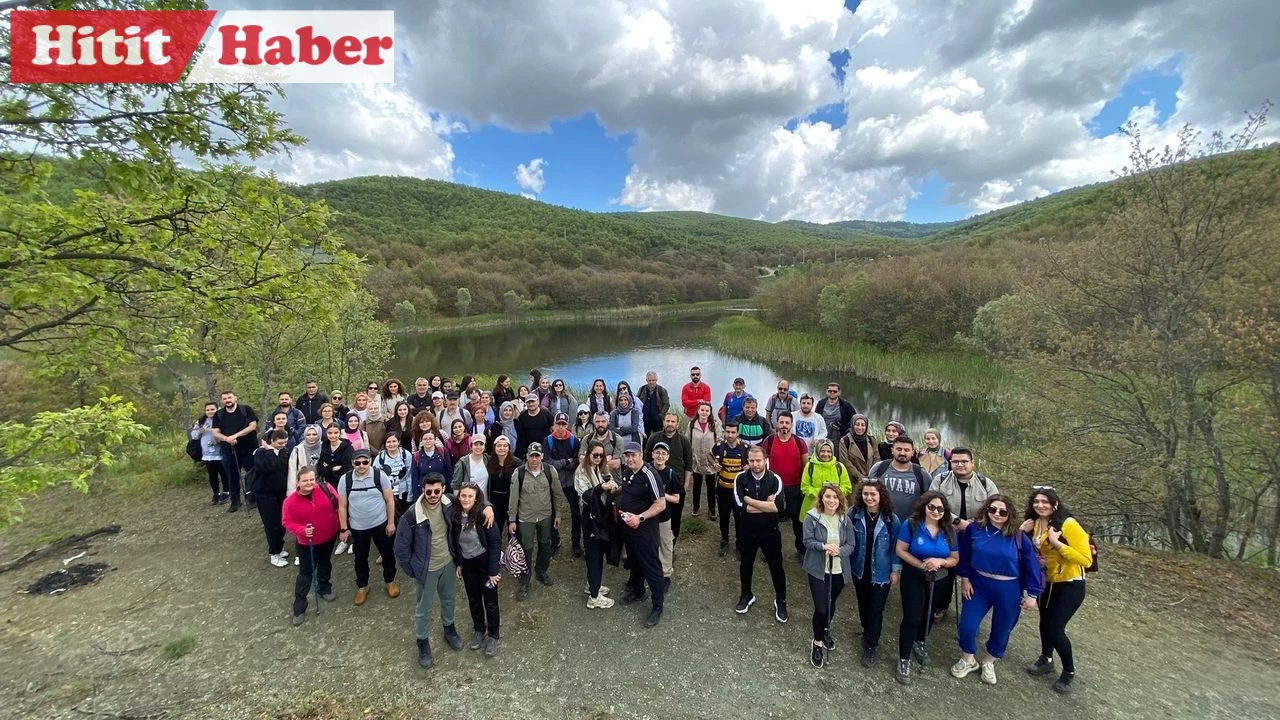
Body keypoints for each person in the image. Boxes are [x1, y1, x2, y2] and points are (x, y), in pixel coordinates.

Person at [951, 494, 1044, 686]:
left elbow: (1032, 565)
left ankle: (989, 661)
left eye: (1002, 511)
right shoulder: (974, 530)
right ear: (986, 509)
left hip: (1009, 588)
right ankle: (968, 659)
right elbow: (965, 555)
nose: (997, 514)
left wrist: (1032, 594)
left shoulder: (1018, 537)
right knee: (967, 625)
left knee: (1002, 628)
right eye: (992, 509)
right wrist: (965, 579)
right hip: (978, 584)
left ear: (1009, 513)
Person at [1020, 487, 1090, 694]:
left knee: (1055, 628)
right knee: (1044, 622)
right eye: (1037, 501)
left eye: (1045, 502)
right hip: (1046, 581)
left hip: (1070, 583)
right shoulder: (1033, 523)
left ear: (1055, 504)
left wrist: (1056, 543)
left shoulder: (1068, 524)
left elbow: (1085, 559)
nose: (1040, 505)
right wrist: (1021, 531)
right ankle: (1046, 658)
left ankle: (1069, 670)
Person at [393, 473, 462, 668]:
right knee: (423, 608)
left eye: (437, 491)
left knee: (449, 600)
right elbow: (400, 548)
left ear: (443, 488)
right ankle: (422, 642)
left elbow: (474, 499)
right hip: (426, 570)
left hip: (448, 563)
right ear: (422, 490)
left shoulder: (450, 503)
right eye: (429, 491)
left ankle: (449, 630)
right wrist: (413, 570)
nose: (433, 495)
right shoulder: (412, 515)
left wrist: (489, 508)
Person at [894, 491, 959, 685]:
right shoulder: (912, 524)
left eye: (940, 508)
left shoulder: (949, 530)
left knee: (929, 614)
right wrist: (921, 565)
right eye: (932, 507)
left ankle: (920, 641)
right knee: (912, 616)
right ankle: (903, 659)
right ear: (924, 506)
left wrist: (941, 561)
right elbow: (900, 550)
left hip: (939, 578)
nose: (936, 511)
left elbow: (955, 558)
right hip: (914, 575)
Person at [929, 446, 998, 619]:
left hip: (975, 535)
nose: (960, 465)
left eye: (964, 461)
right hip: (945, 532)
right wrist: (957, 522)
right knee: (945, 573)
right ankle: (941, 605)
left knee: (972, 571)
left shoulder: (985, 484)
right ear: (950, 462)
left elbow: (996, 509)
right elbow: (930, 503)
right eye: (956, 461)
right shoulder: (940, 480)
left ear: (972, 463)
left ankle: (972, 609)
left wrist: (973, 525)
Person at [802, 483, 856, 668]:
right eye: (828, 497)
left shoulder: (845, 519)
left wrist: (839, 551)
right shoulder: (813, 518)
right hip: (818, 569)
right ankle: (817, 643)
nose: (831, 500)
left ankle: (825, 629)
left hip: (839, 569)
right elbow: (807, 541)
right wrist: (824, 547)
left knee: (831, 602)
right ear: (822, 498)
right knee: (821, 608)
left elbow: (851, 544)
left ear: (840, 500)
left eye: (835, 497)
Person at [338, 448, 400, 606]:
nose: (361, 465)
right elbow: (343, 506)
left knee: (388, 554)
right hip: (358, 527)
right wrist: (344, 528)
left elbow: (390, 500)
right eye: (357, 463)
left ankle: (390, 581)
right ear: (352, 463)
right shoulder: (346, 480)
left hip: (381, 524)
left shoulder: (380, 476)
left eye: (365, 462)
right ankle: (362, 586)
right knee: (360, 558)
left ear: (370, 461)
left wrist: (391, 522)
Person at [849, 479, 900, 668]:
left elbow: (896, 547)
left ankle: (871, 644)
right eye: (865, 494)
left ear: (881, 496)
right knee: (863, 603)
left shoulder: (890, 519)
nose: (869, 498)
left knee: (876, 608)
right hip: (859, 569)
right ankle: (866, 629)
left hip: (881, 572)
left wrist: (896, 570)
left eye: (873, 494)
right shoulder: (854, 514)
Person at [733, 445, 787, 623]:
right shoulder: (740, 478)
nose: (755, 464)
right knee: (746, 565)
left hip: (770, 532)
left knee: (776, 567)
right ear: (747, 461)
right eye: (752, 461)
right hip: (747, 532)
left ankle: (780, 599)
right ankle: (746, 595)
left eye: (759, 460)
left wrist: (750, 501)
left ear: (765, 460)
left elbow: (776, 508)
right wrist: (764, 505)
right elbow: (741, 507)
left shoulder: (775, 479)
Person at [616, 442, 667, 628]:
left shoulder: (649, 475)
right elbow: (626, 489)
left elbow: (661, 504)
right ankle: (638, 591)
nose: (630, 459)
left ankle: (657, 606)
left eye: (633, 455)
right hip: (628, 527)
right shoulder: (627, 471)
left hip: (644, 530)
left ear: (641, 456)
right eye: (627, 456)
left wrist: (640, 517)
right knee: (634, 561)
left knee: (651, 567)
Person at [281, 467, 340, 625]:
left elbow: (339, 504)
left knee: (325, 563)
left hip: (328, 536)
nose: (309, 483)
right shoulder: (290, 501)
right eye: (305, 480)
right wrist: (301, 530)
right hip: (307, 543)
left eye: (311, 480)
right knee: (305, 574)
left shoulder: (325, 489)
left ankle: (324, 587)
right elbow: (286, 522)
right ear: (298, 482)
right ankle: (299, 606)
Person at [450, 482, 502, 658]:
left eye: (470, 496)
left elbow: (495, 543)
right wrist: (459, 563)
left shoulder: (484, 516)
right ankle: (479, 629)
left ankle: (493, 635)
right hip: (468, 564)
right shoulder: (455, 515)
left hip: (486, 564)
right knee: (473, 599)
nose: (466, 499)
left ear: (477, 498)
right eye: (463, 495)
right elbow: (455, 543)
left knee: (490, 601)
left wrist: (494, 571)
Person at [507, 443, 562, 600]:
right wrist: (512, 520)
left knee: (545, 544)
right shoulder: (519, 473)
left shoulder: (550, 471)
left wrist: (558, 514)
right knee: (526, 549)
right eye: (532, 455)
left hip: (545, 515)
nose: (534, 459)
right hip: (526, 517)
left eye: (537, 455)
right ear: (527, 456)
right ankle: (525, 580)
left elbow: (557, 494)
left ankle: (541, 571)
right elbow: (513, 498)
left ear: (542, 456)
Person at [576, 440, 618, 609]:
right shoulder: (581, 472)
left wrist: (613, 487)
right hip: (589, 517)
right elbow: (585, 495)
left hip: (601, 516)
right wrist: (602, 488)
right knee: (593, 554)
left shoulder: (601, 470)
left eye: (601, 456)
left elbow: (612, 486)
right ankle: (594, 596)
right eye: (595, 455)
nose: (598, 458)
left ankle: (593, 584)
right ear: (588, 455)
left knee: (599, 552)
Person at [763, 411, 808, 557]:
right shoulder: (769, 441)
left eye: (787, 423)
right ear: (777, 423)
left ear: (791, 424)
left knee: (796, 518)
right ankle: (771, 549)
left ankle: (800, 548)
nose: (784, 425)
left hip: (795, 486)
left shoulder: (799, 442)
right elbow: (763, 462)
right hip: (775, 487)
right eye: (781, 422)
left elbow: (805, 465)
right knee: (773, 518)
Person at [643, 412, 693, 534]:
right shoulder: (654, 438)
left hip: (676, 485)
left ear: (677, 423)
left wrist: (685, 486)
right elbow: (645, 460)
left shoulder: (684, 441)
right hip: (654, 483)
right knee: (653, 515)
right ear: (663, 422)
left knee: (675, 518)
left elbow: (689, 465)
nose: (670, 424)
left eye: (673, 421)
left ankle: (671, 545)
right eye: (667, 421)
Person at [212, 390, 258, 512]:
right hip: (229, 450)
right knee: (232, 476)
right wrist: (227, 439)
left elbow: (252, 426)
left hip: (249, 448)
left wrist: (235, 436)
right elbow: (215, 432)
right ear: (222, 401)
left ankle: (253, 498)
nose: (228, 400)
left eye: (230, 397)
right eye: (225, 398)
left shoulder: (246, 409)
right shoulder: (219, 414)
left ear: (235, 398)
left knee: (252, 474)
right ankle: (235, 501)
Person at [544, 412, 582, 556]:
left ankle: (576, 542)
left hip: (571, 481)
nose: (560, 427)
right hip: (554, 482)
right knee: (552, 512)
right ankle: (555, 541)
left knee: (575, 513)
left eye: (563, 424)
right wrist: (565, 462)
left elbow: (576, 461)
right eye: (558, 424)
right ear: (553, 425)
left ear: (568, 425)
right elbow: (547, 462)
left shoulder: (574, 441)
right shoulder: (548, 441)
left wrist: (563, 464)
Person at [253, 430, 292, 567]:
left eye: (285, 443)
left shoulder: (284, 452)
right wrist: (269, 450)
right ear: (271, 441)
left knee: (281, 523)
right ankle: (274, 553)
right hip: (264, 493)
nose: (283, 445)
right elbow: (268, 466)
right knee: (272, 524)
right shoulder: (260, 453)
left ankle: (279, 547)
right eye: (280, 443)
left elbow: (283, 467)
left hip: (280, 492)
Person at [868, 436, 929, 523]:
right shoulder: (879, 468)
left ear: (913, 452)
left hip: (910, 525)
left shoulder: (921, 473)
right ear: (892, 450)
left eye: (906, 450)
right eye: (899, 449)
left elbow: (929, 500)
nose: (902, 453)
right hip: (881, 524)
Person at [711, 422, 749, 556]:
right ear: (724, 432)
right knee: (724, 516)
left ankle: (739, 544)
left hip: (738, 491)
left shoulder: (745, 448)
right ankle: (724, 540)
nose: (730, 435)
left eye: (733, 432)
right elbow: (709, 455)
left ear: (738, 433)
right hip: (723, 489)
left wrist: (748, 467)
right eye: (727, 432)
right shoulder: (719, 447)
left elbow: (755, 461)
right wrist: (714, 463)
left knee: (740, 518)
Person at [650, 442, 682, 589]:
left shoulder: (671, 474)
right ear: (652, 455)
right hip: (648, 516)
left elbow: (676, 498)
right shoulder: (647, 471)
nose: (660, 456)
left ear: (668, 457)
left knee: (665, 545)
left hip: (664, 517)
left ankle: (665, 575)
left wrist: (662, 495)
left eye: (663, 453)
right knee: (649, 544)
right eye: (657, 452)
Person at [798, 439, 850, 518]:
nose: (826, 454)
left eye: (829, 451)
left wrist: (833, 494)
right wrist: (822, 493)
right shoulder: (810, 466)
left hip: (834, 510)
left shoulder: (839, 467)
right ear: (817, 451)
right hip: (813, 509)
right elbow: (805, 487)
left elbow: (847, 487)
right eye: (822, 451)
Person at [687, 401, 720, 519]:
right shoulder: (691, 424)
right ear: (698, 411)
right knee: (697, 485)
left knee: (711, 486)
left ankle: (712, 509)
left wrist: (716, 459)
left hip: (710, 461)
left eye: (707, 411)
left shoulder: (714, 425)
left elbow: (719, 442)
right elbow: (687, 441)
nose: (704, 413)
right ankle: (695, 507)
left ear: (710, 412)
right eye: (702, 410)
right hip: (696, 460)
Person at [191, 402, 228, 505]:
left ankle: (226, 491)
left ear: (217, 409)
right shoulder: (201, 421)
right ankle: (216, 493)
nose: (210, 411)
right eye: (208, 410)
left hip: (220, 451)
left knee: (223, 473)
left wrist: (218, 440)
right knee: (212, 475)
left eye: (212, 409)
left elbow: (227, 433)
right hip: (207, 454)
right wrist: (199, 431)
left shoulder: (221, 419)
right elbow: (194, 436)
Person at [317, 425, 354, 523]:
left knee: (345, 506)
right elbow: (320, 468)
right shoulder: (324, 446)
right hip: (329, 485)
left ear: (339, 433)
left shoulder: (348, 448)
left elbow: (347, 468)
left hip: (343, 482)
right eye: (330, 433)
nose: (333, 436)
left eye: (335, 433)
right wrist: (333, 468)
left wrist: (328, 467)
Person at [376, 432, 414, 521]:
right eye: (388, 442)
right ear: (385, 444)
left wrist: (410, 495)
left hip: (403, 492)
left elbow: (410, 475)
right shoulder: (380, 457)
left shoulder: (406, 455)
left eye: (394, 441)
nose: (391, 444)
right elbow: (376, 476)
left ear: (399, 442)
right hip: (387, 494)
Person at [486, 435, 520, 533]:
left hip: (511, 500)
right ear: (494, 447)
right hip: (495, 501)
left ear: (509, 448)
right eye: (499, 445)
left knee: (513, 531)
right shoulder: (489, 462)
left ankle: (512, 548)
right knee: (495, 529)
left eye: (505, 446)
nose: (502, 448)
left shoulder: (516, 463)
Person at [410, 430, 453, 501]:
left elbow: (449, 472)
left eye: (430, 439)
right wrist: (416, 498)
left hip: (441, 492)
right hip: (424, 493)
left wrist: (450, 491)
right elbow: (414, 477)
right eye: (425, 439)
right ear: (421, 441)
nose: (428, 441)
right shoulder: (416, 456)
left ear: (435, 440)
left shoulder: (443, 451)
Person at [837, 414, 877, 480]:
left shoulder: (871, 440)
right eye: (857, 424)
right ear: (852, 425)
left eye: (863, 425)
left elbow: (876, 458)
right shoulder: (845, 440)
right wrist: (861, 477)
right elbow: (845, 462)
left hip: (871, 479)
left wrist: (872, 475)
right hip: (854, 480)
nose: (860, 428)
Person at [514, 395, 553, 459]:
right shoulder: (523, 415)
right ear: (526, 403)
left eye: (533, 401)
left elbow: (554, 428)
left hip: (545, 448)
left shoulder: (546, 413)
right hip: (529, 450)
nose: (531, 404)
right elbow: (520, 434)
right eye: (529, 402)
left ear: (537, 401)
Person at [635, 371, 670, 438]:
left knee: (658, 438)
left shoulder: (662, 390)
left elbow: (666, 404)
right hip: (644, 420)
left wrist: (660, 415)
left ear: (656, 380)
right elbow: (636, 402)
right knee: (645, 439)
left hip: (657, 421)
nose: (651, 382)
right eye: (649, 380)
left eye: (653, 380)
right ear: (646, 380)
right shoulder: (642, 389)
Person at [363, 383, 387, 452]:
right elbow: (364, 439)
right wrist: (375, 452)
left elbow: (387, 436)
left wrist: (382, 450)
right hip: (369, 452)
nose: (373, 389)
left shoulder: (384, 422)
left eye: (375, 388)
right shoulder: (364, 424)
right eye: (370, 388)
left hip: (383, 451)